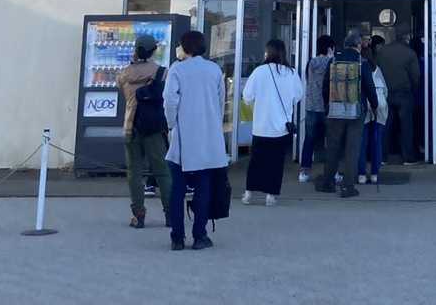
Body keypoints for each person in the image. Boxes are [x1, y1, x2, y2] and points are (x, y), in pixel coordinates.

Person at [163, 29, 228, 251]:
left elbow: (169, 100)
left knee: (177, 190)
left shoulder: (177, 69)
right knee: (203, 188)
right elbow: (220, 102)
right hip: (208, 137)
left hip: (183, 137)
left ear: (184, 47)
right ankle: (200, 235)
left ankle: (177, 238)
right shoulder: (214, 69)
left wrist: (171, 124)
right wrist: (214, 125)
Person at [117, 34, 172, 228]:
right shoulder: (161, 72)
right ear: (153, 51)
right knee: (162, 171)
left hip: (131, 126)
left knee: (134, 173)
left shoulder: (125, 74)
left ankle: (138, 215)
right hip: (154, 128)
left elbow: (122, 90)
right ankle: (170, 214)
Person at [241, 38, 303, 207]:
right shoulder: (291, 73)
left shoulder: (259, 71)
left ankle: (248, 193)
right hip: (281, 127)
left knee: (256, 161)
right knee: (276, 163)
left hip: (261, 126)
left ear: (268, 53)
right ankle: (271, 195)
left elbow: (247, 96)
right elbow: (298, 95)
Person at [316, 30, 377, 198]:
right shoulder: (362, 62)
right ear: (358, 45)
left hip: (335, 110)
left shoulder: (333, 60)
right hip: (356, 112)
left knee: (333, 147)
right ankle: (347, 186)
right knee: (352, 149)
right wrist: (374, 105)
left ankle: (328, 183)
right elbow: (370, 88)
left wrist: (328, 105)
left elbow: (326, 86)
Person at [375, 30, 422, 164]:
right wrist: (413, 89)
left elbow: (376, 70)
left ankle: (382, 157)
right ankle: (408, 157)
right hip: (404, 93)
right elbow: (416, 76)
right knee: (406, 127)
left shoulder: (382, 52)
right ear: (406, 37)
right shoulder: (410, 53)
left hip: (386, 93)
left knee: (385, 125)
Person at [298, 34, 334, 183]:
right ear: (330, 48)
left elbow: (308, 80)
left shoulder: (311, 62)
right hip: (327, 107)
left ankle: (304, 171)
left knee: (309, 139)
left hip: (311, 106)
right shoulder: (332, 62)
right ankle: (332, 172)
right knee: (331, 140)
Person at [357, 39, 389, 185]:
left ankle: (361, 174)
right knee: (377, 141)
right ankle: (375, 173)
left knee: (362, 142)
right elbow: (385, 90)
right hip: (379, 106)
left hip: (364, 106)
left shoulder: (358, 68)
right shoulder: (377, 69)